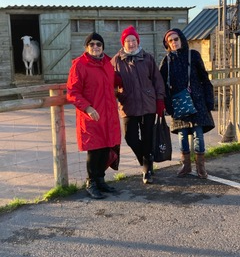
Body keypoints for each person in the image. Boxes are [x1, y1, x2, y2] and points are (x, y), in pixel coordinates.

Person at [67, 32, 121, 199]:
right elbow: (72, 92)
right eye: (92, 44)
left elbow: (115, 82)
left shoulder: (108, 63)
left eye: (98, 44)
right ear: (86, 47)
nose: (95, 47)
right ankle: (91, 182)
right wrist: (88, 108)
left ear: (103, 47)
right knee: (94, 150)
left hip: (108, 113)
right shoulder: (80, 65)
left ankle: (100, 180)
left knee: (106, 147)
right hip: (91, 114)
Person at [111, 26, 165, 184]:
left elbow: (157, 80)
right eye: (127, 41)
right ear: (123, 43)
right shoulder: (116, 60)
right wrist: (116, 93)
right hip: (128, 105)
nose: (131, 43)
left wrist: (160, 100)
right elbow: (109, 83)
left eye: (133, 40)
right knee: (130, 138)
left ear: (137, 41)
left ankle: (147, 169)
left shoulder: (147, 58)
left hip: (148, 104)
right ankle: (146, 160)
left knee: (148, 138)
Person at [159, 28, 215, 179]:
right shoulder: (167, 61)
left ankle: (201, 167)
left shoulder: (193, 55)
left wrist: (209, 100)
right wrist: (167, 105)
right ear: (167, 44)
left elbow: (204, 79)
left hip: (197, 101)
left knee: (198, 135)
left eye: (176, 39)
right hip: (178, 103)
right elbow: (162, 85)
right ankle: (186, 166)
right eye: (170, 41)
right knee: (182, 136)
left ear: (181, 39)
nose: (174, 43)